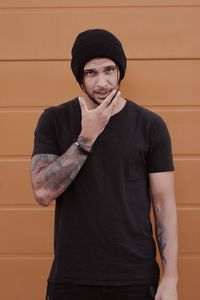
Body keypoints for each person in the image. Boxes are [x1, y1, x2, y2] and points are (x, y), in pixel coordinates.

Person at [30, 29, 178, 300]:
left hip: (134, 278)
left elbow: (164, 204)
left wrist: (170, 279)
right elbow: (42, 192)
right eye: (91, 73)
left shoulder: (150, 126)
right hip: (72, 277)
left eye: (109, 70)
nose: (102, 82)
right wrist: (86, 138)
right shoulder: (54, 120)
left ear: (120, 71)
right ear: (79, 78)